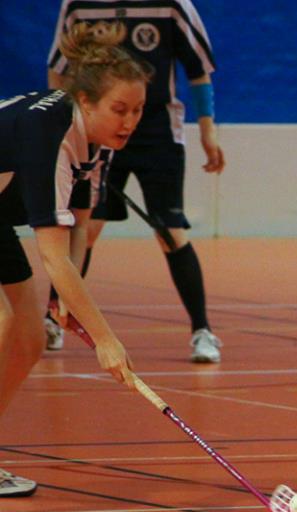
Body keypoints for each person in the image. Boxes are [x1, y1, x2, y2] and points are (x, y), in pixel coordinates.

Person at [0, 21, 148, 512]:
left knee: (29, 337)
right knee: (3, 322)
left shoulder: (98, 141)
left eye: (138, 110)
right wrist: (106, 339)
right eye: (120, 110)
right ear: (85, 101)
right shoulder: (51, 134)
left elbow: (79, 227)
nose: (129, 121)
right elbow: (53, 256)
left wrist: (64, 299)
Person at [46, 0, 226, 363]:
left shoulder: (172, 5)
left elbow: (198, 69)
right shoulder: (78, 5)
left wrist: (208, 131)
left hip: (157, 134)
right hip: (99, 129)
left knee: (169, 231)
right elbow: (58, 70)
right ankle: (54, 317)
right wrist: (64, 128)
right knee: (86, 226)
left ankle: (202, 331)